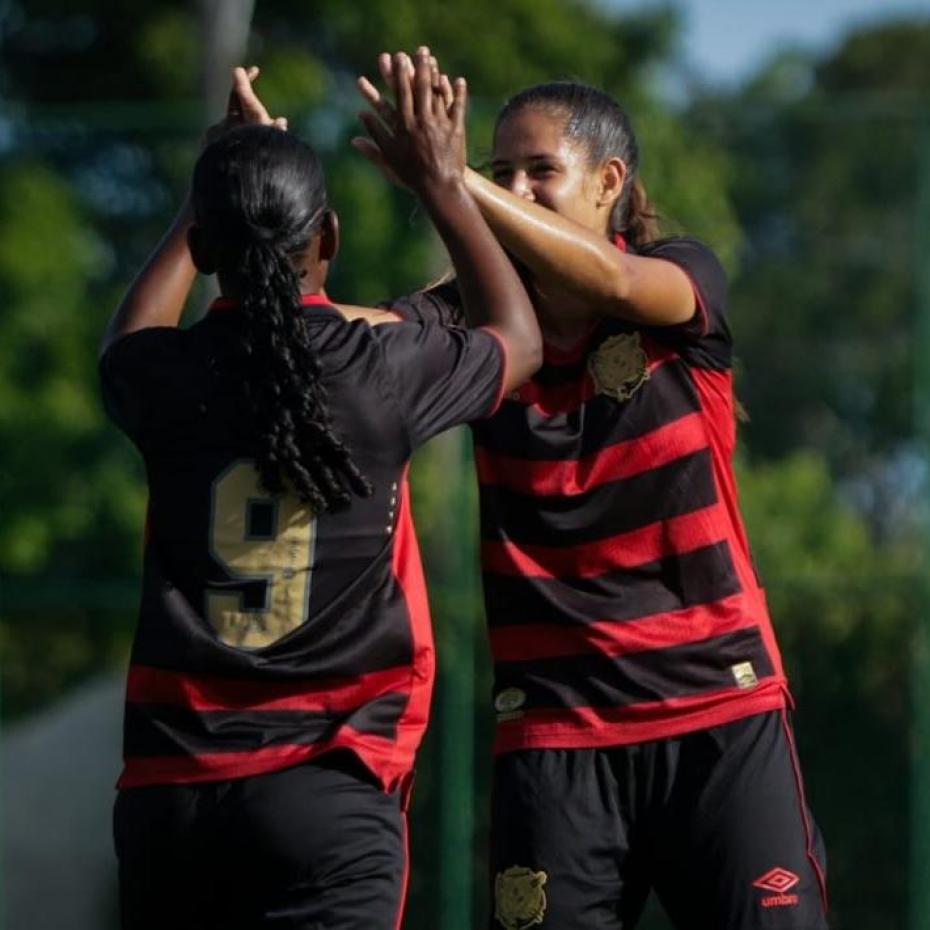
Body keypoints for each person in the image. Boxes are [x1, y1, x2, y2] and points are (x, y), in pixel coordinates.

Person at [354, 57, 829, 930]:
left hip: (717, 716)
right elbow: (353, 344)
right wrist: (242, 221)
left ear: (609, 183)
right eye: (502, 173)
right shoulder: (470, 323)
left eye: (541, 171)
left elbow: (609, 283)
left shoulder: (676, 279)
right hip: (555, 739)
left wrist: (448, 182)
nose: (518, 190)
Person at [99, 55, 541, 930]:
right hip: (326, 790)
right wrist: (444, 182)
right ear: (328, 238)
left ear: (208, 246)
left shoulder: (164, 376)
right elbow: (517, 339)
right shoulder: (377, 369)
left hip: (170, 799)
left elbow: (131, 334)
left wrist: (212, 187)